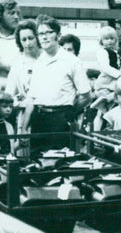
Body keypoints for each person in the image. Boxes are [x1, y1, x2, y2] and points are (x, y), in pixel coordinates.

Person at [21, 15, 91, 151]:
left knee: (61, 164)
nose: (45, 37)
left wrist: (68, 112)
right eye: (41, 33)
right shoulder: (38, 62)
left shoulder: (71, 61)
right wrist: (24, 128)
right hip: (39, 120)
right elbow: (31, 99)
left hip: (61, 120)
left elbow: (87, 96)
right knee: (37, 163)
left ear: (58, 35)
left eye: (49, 32)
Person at [5, 20, 41, 131]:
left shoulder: (46, 59)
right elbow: (9, 93)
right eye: (24, 40)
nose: (28, 43)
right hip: (24, 113)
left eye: (31, 38)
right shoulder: (17, 63)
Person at [0, 0, 22, 79]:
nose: (16, 17)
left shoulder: (23, 38)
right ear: (0, 15)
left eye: (18, 13)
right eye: (11, 13)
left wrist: (5, 67)